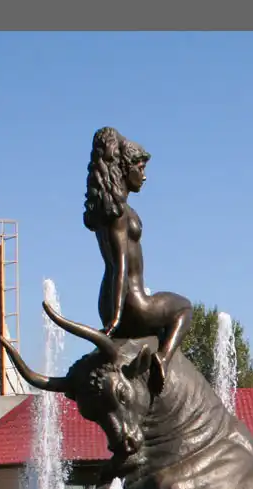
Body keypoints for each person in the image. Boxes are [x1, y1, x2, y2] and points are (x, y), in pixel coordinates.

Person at [84, 126, 193, 359]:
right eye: (140, 168)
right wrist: (117, 318)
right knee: (184, 307)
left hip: (106, 302)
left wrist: (110, 314)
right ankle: (163, 359)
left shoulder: (106, 209)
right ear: (125, 168)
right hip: (133, 304)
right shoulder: (121, 213)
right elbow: (120, 265)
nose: (144, 176)